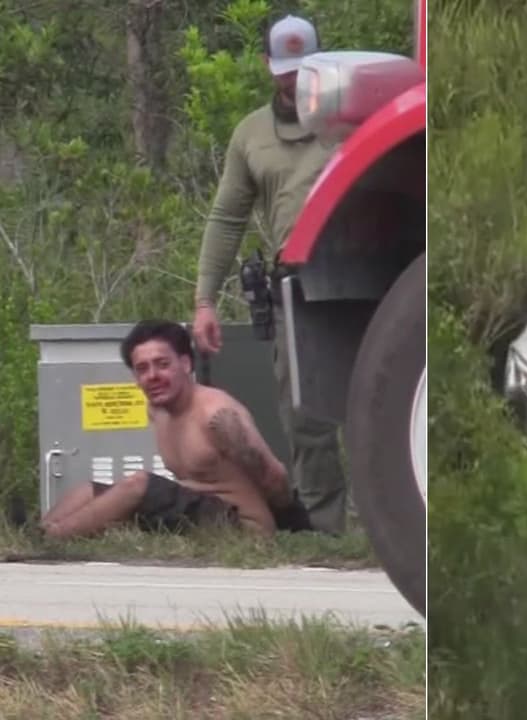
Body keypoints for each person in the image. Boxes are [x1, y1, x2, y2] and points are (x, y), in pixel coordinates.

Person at [190, 13, 348, 534]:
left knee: (378, 396)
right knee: (305, 412)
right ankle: (327, 529)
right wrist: (205, 301)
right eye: (283, 69)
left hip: (362, 272)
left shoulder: (353, 115)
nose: (292, 78)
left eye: (301, 69)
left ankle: (395, 516)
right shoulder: (252, 134)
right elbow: (227, 217)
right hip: (297, 282)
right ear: (267, 66)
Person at [38, 320, 295, 539]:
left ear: (185, 364)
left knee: (139, 484)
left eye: (162, 364)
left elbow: (274, 476)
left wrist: (290, 528)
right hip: (190, 511)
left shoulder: (218, 416)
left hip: (240, 525)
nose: (152, 376)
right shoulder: (157, 411)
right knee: (88, 491)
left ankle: (52, 540)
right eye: (142, 369)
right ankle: (38, 533)